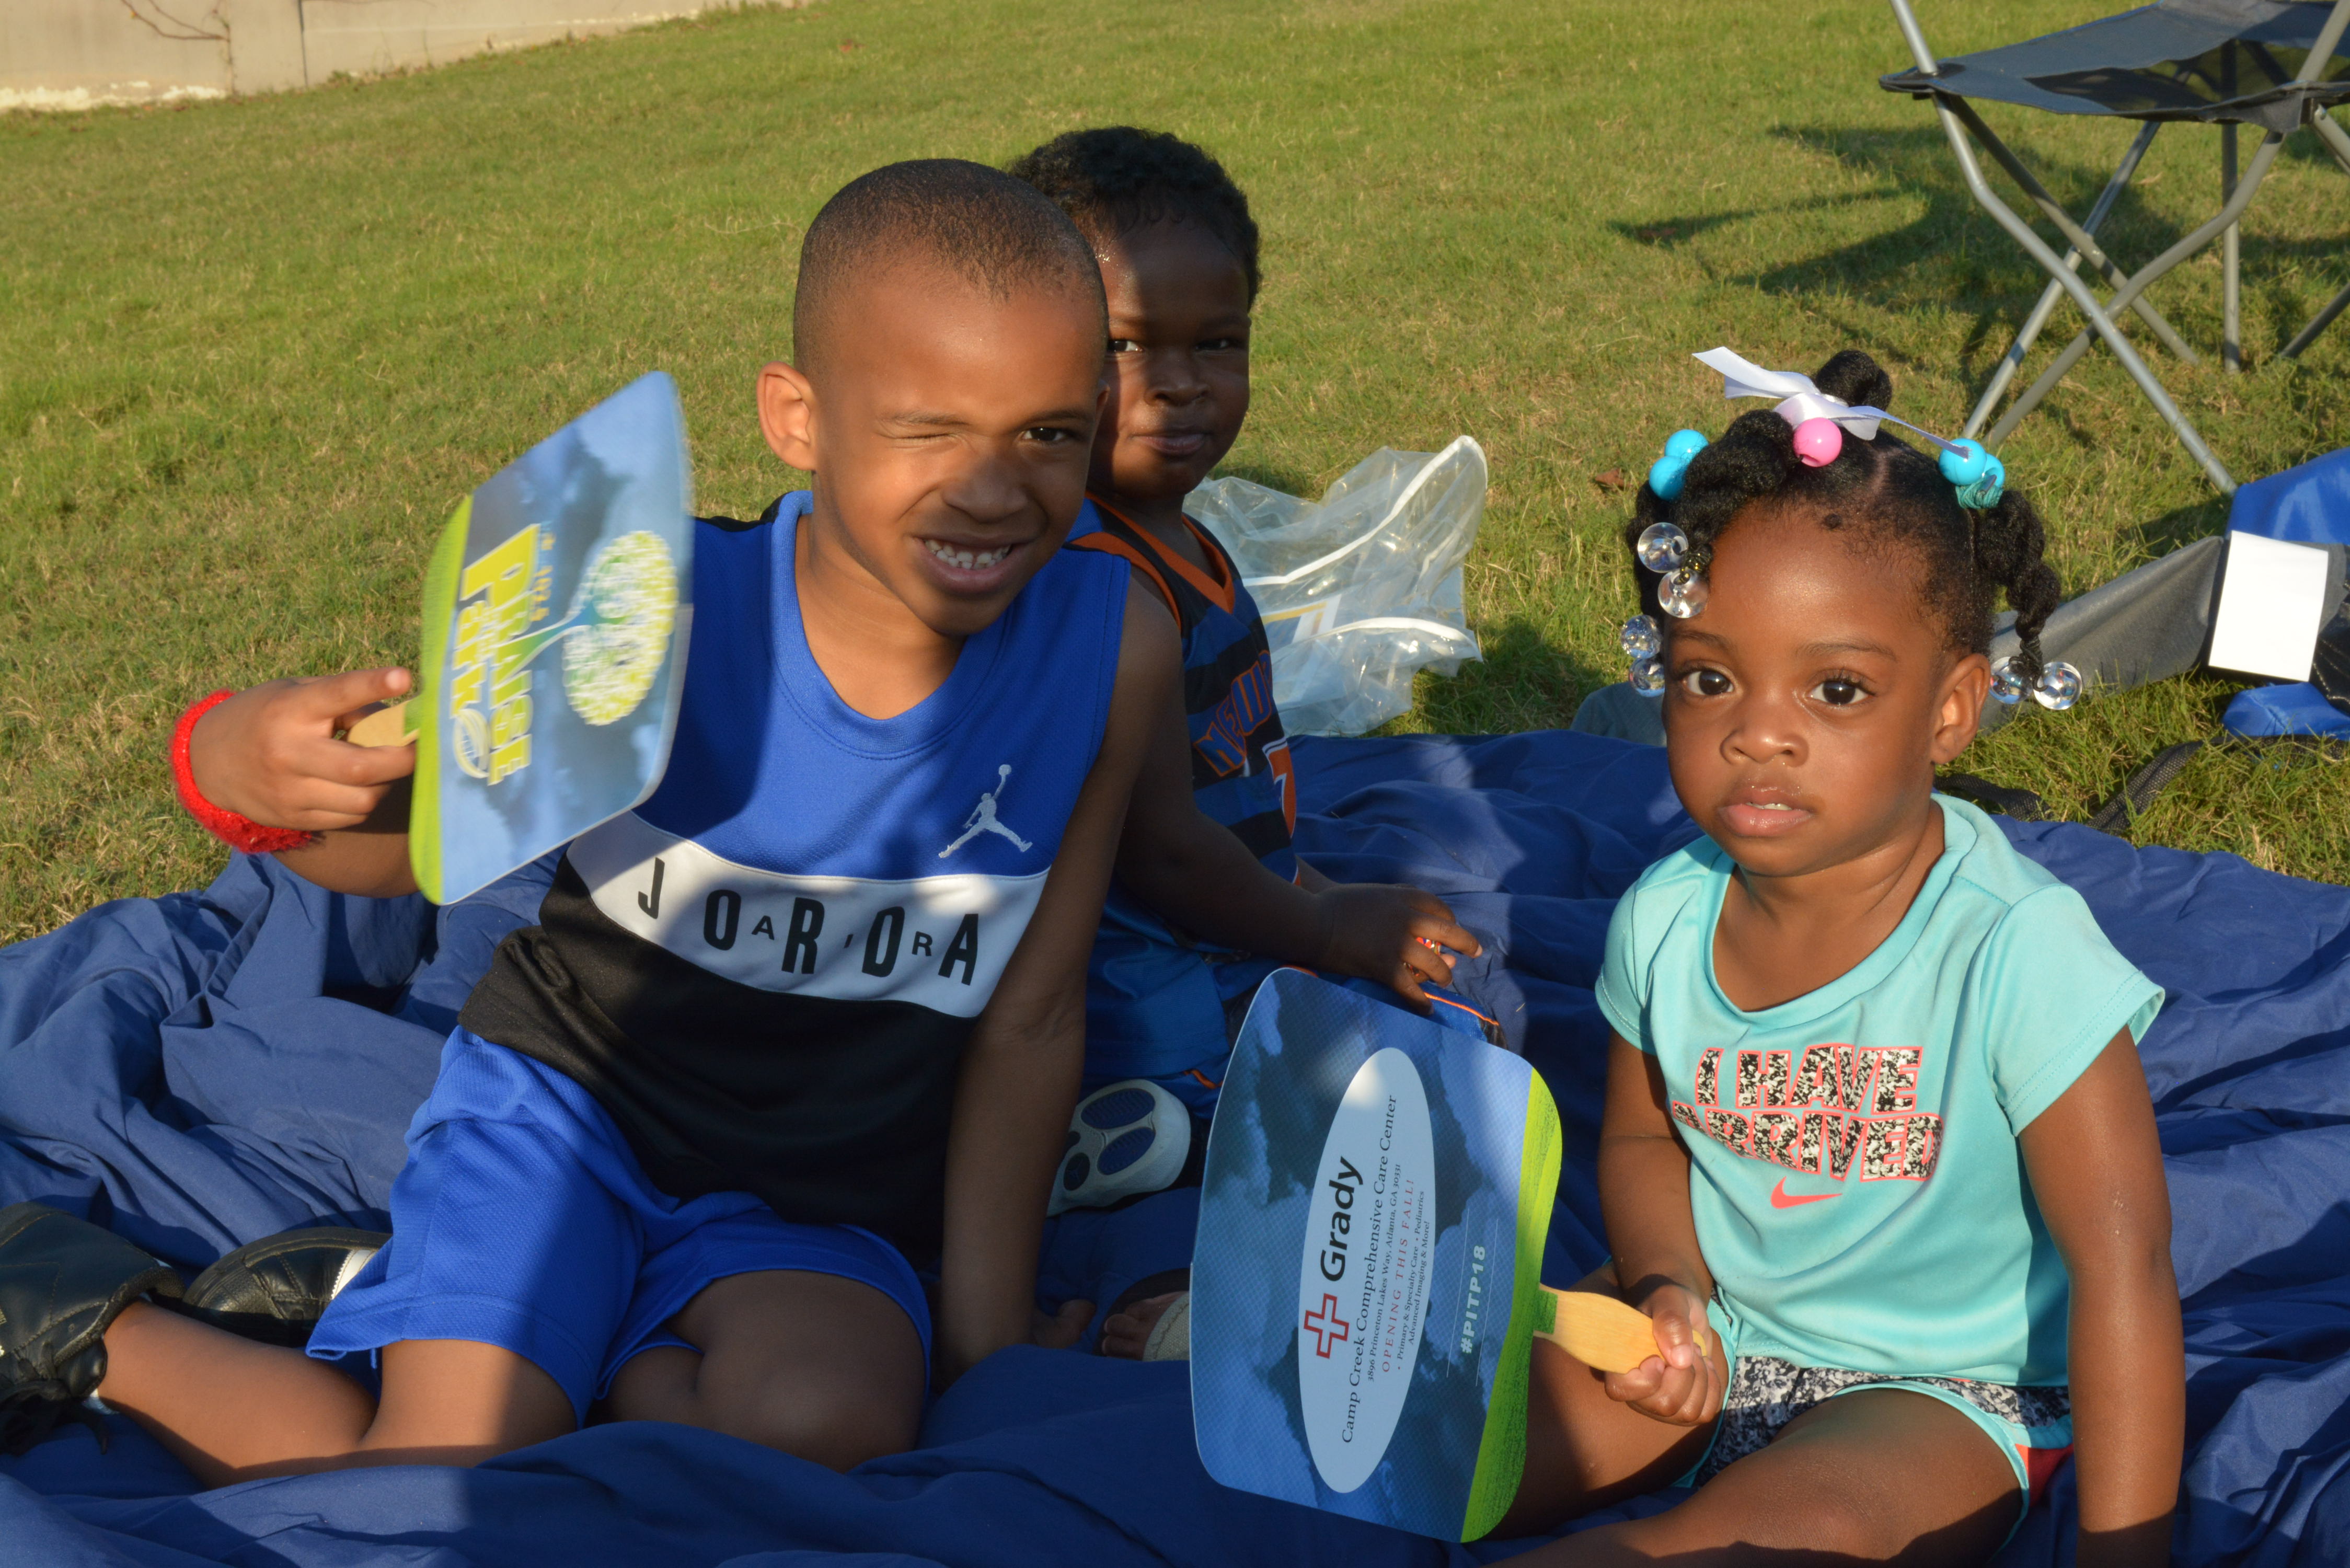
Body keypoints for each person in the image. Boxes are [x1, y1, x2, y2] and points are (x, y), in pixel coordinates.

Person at [0, 158, 1249, 1481]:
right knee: (439, 1469)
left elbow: (1035, 1012)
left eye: (1047, 433)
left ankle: (536, 1342)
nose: (993, 489)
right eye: (927, 430)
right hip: (564, 1115)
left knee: (830, 1431)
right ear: (797, 418)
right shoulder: (644, 610)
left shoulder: (1110, 648)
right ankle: (86, 1310)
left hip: (820, 1196)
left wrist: (985, 1338)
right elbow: (414, 851)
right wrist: (237, 774)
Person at [1499, 351, 2182, 1567]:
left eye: (1835, 689)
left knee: (1768, 1535)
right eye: (1710, 677)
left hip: (1945, 1395)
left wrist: (2129, 1553)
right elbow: (1647, 1136)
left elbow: (2122, 1270)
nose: (1759, 731)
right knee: (1447, 1449)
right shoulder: (1663, 916)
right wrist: (1668, 1290)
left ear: (1951, 711)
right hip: (1707, 1341)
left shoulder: (2014, 950)